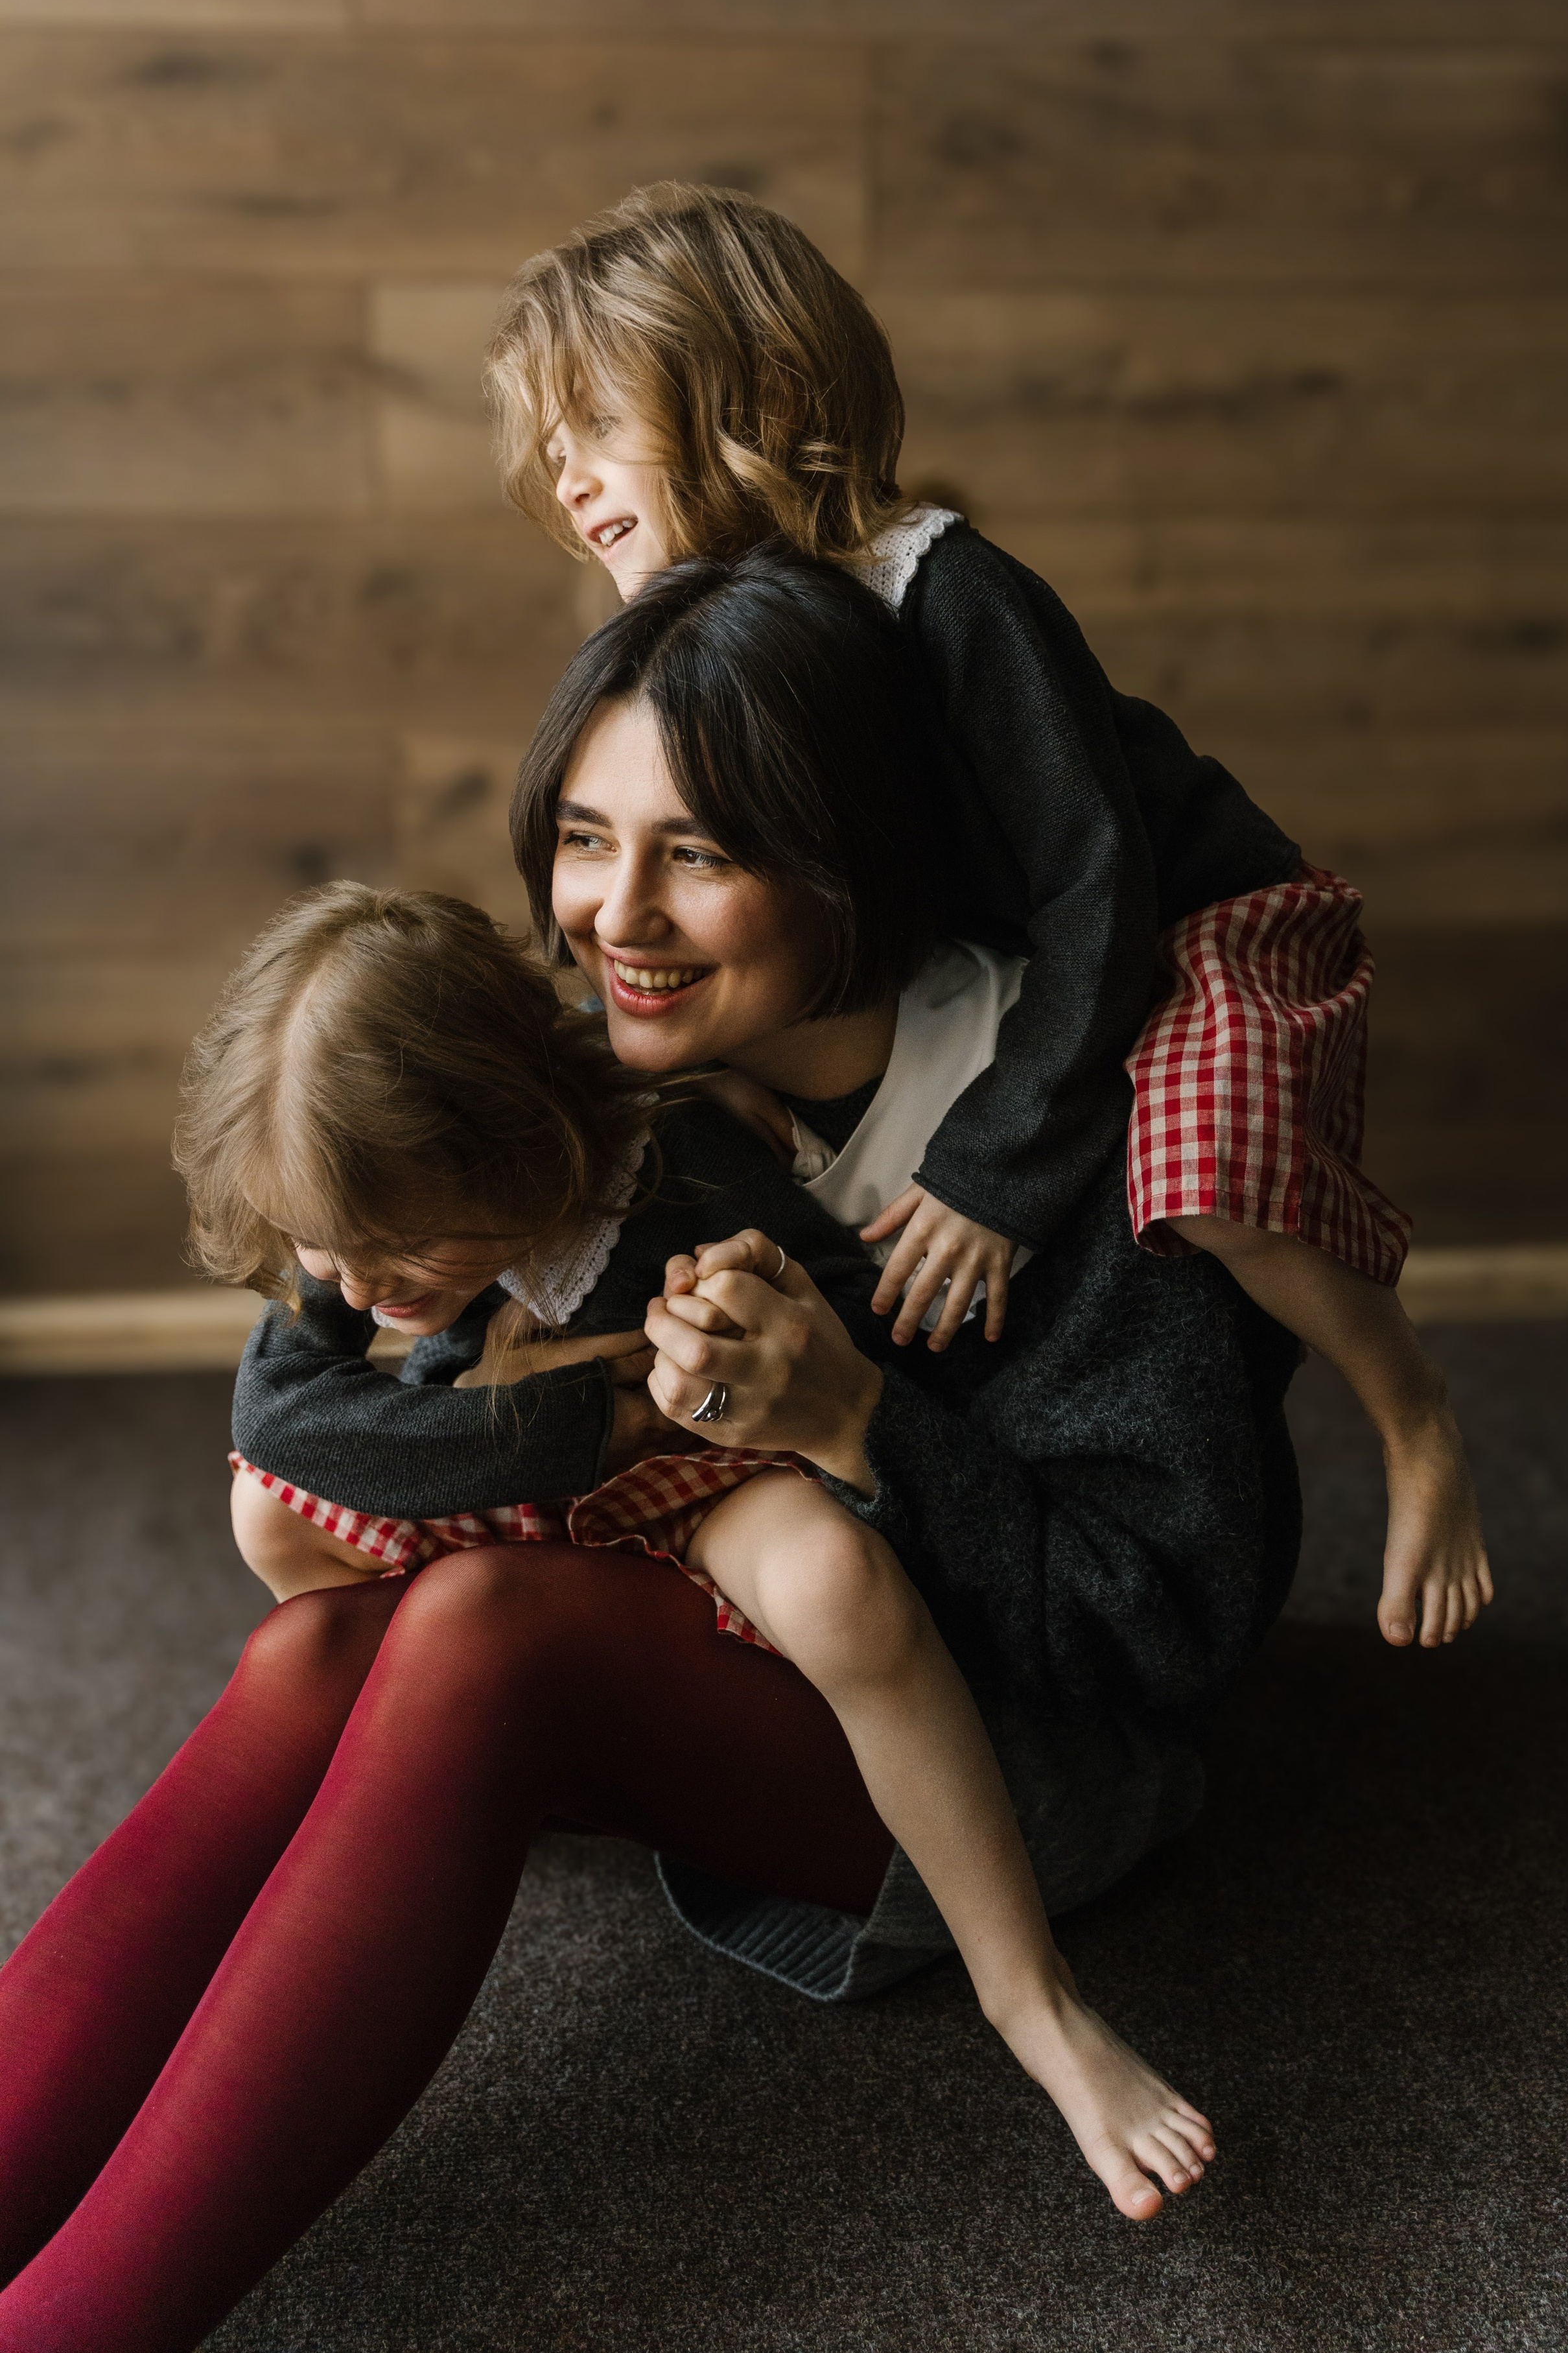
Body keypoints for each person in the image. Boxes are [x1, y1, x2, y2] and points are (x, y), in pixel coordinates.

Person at [0, 549, 1297, 2345]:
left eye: (699, 851)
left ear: (853, 855)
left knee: (477, 1633)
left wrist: (858, 1417)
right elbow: (329, 1348)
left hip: (1016, 1750)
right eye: (586, 837)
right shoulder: (572, 1098)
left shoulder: (1079, 1123)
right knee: (310, 1644)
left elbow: (1164, 1637)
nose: (613, 913)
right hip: (718, 1637)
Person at [486, 182, 1493, 1653]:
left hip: (1201, 920)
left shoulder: (942, 594)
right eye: (552, 448)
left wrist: (993, 1172)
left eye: (600, 428)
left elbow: (1097, 888)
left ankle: (1412, 1416)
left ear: (757, 392)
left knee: (1199, 1173)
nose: (569, 481)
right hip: (1039, 944)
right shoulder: (718, 648)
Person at [196, 874, 1220, 2198]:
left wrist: (735, 1335)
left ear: (511, 1136)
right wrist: (570, 1417)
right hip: (557, 1445)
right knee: (264, 1508)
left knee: (837, 1585)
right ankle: (518, 1749)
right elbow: (276, 1413)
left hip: (713, 1459)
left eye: (386, 1248)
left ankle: (1035, 2004)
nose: (350, 1286)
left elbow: (855, 1333)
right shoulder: (356, 1203)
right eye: (323, 1250)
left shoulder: (677, 1167)